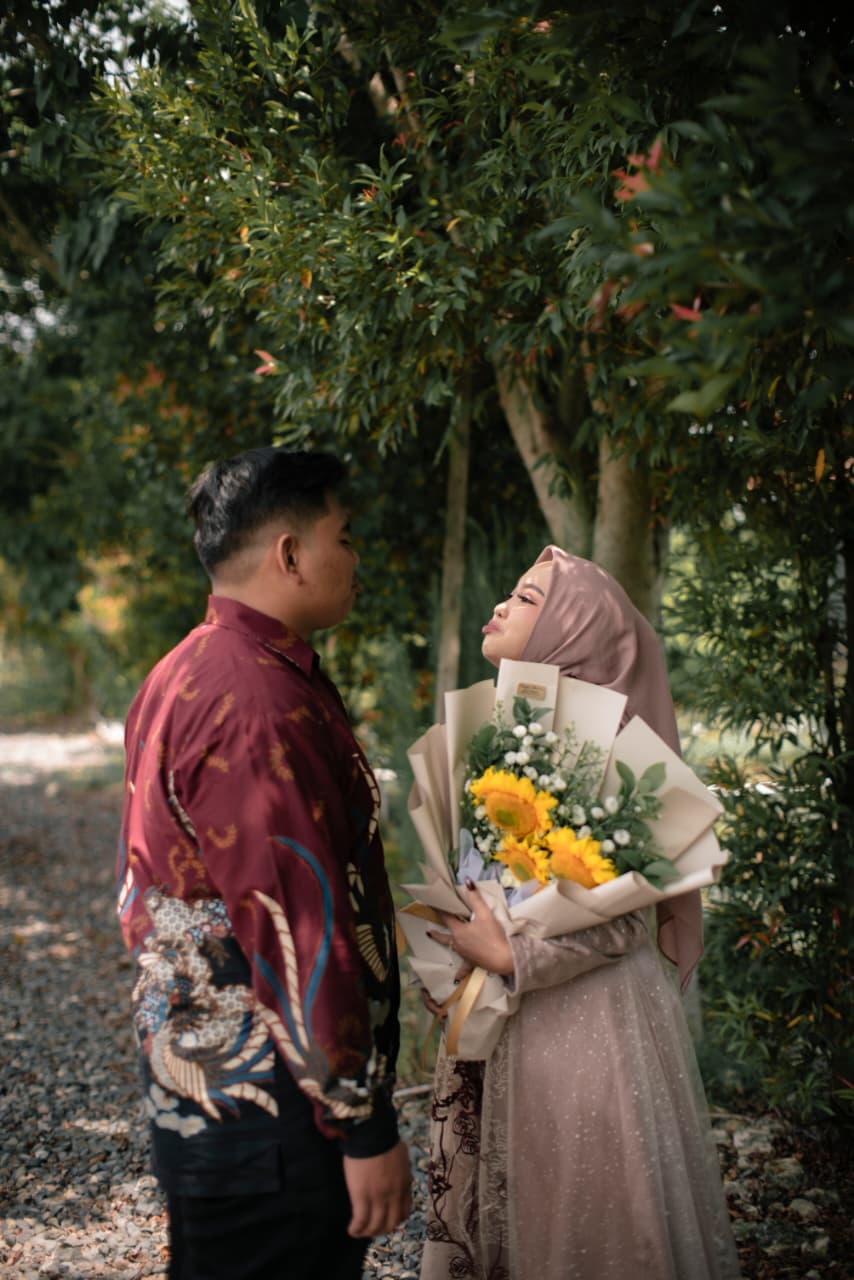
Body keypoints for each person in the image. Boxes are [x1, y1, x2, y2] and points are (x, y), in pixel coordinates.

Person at [117, 447, 411, 1280]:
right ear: (290, 553)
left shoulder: (186, 668)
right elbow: (295, 927)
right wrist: (361, 1125)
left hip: (214, 1098)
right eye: (342, 537)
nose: (354, 556)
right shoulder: (256, 704)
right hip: (276, 1116)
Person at [420, 546, 741, 1280]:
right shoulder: (501, 732)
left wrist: (515, 955)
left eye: (527, 599)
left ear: (576, 631)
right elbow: (474, 878)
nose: (500, 605)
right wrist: (447, 958)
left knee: (580, 1220)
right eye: (511, 592)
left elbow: (625, 916)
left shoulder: (611, 754)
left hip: (587, 1024)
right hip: (497, 1013)